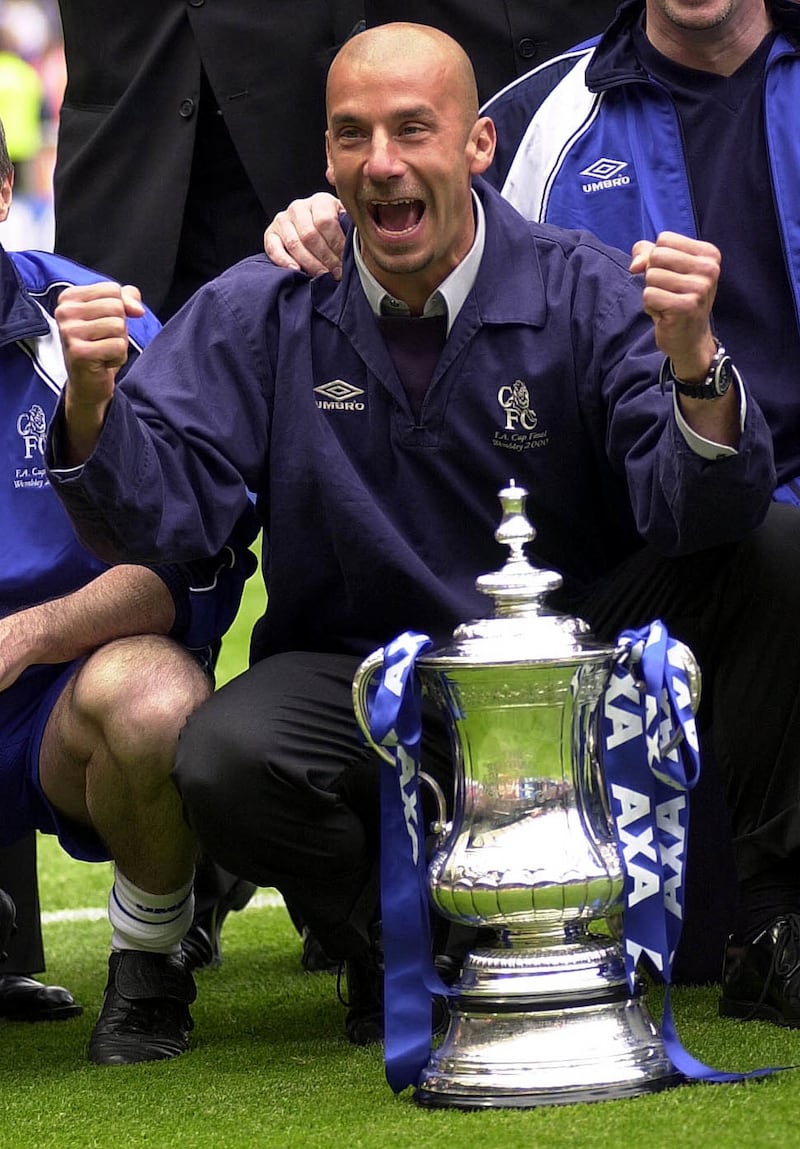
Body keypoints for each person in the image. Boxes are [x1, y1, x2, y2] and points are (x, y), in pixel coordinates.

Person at [47, 23, 791, 1048]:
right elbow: (168, 513)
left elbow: (696, 514)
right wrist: (93, 404)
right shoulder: (265, 302)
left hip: (564, 668)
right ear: (325, 160)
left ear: (478, 145)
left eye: (411, 130)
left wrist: (698, 371)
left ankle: (773, 919)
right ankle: (396, 941)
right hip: (363, 675)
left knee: (777, 551)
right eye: (352, 137)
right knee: (224, 756)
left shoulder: (580, 286)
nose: (382, 164)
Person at [0, 118, 257, 1065]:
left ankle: (151, 958)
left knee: (153, 699)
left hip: (64, 699)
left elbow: (201, 564)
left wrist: (29, 634)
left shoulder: (98, 322)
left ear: (2, 196)